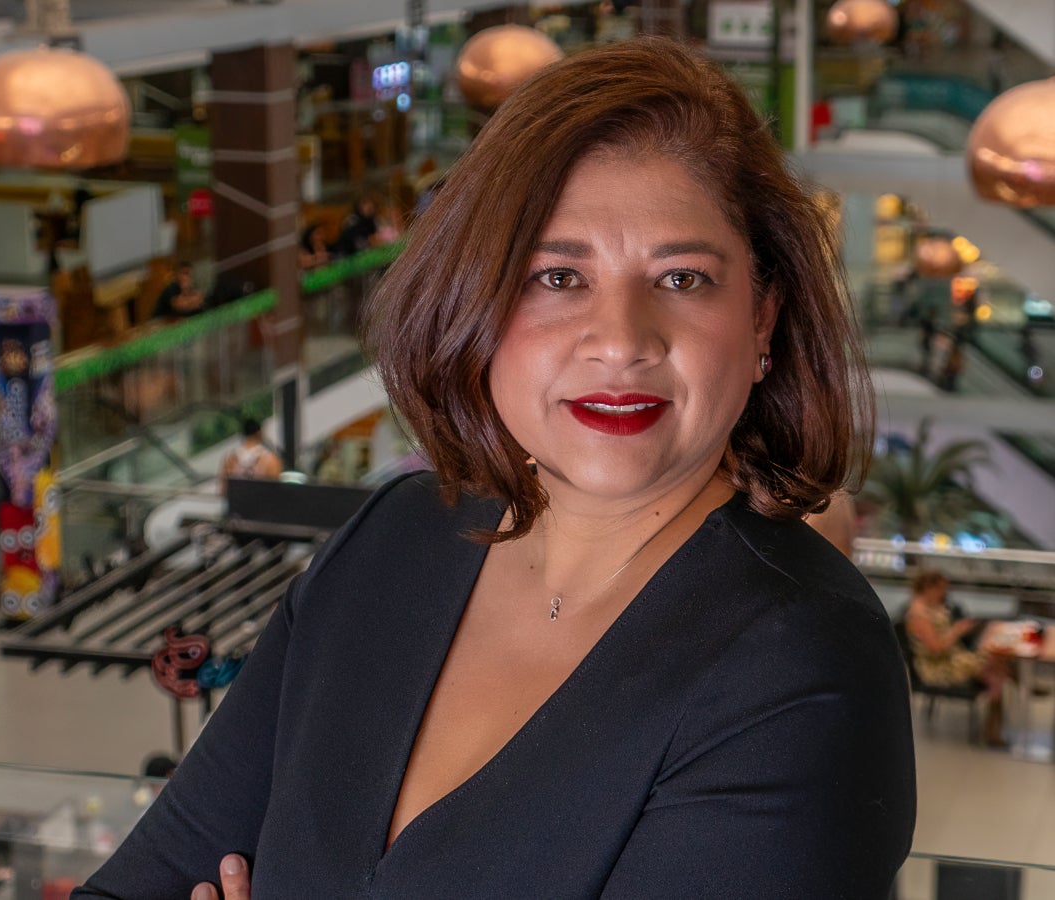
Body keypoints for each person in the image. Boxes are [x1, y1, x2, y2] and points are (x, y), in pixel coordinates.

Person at [75, 38, 915, 899]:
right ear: (478, 299)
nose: (621, 341)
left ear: (762, 320)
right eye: (559, 275)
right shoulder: (394, 538)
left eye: (682, 279)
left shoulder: (803, 664)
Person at [904, 570, 1009, 746]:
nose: (944, 593)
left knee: (997, 665)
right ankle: (992, 727)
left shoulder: (932, 606)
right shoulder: (918, 615)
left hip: (950, 658)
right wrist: (957, 630)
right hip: (937, 666)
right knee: (996, 672)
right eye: (941, 588)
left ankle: (994, 724)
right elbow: (935, 648)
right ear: (929, 588)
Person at [218, 418, 282, 490]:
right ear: (259, 433)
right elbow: (275, 490)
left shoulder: (230, 459)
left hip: (238, 496)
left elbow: (223, 489)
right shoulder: (271, 459)